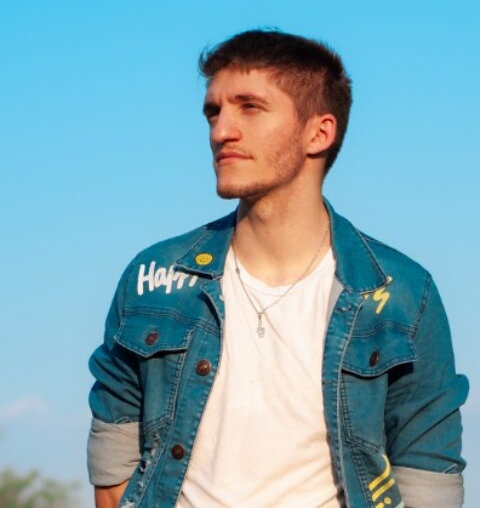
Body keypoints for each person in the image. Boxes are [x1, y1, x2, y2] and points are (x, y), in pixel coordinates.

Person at [87, 30, 468, 508]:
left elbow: (429, 474)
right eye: (214, 112)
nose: (221, 131)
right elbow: (113, 459)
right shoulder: (154, 279)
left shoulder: (403, 292)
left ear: (319, 133)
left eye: (250, 107)